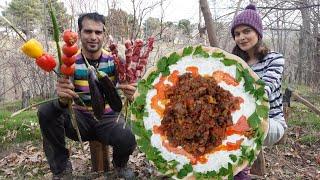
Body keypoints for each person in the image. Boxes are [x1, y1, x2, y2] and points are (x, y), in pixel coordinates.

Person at [37, 12, 137, 180]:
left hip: (109, 119)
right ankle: (61, 170)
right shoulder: (68, 62)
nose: (93, 37)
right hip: (79, 120)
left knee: (129, 134)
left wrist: (132, 93)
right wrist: (62, 98)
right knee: (46, 111)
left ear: (104, 34)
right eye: (88, 31)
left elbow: (131, 91)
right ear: (79, 33)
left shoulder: (115, 60)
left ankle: (120, 164)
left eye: (98, 32)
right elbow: (64, 95)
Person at [230, 4, 287, 179]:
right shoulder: (236, 62)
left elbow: (265, 89)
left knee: (239, 129)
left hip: (271, 122)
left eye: (247, 31)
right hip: (241, 120)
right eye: (237, 34)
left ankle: (241, 173)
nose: (241, 37)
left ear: (258, 33)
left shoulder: (275, 59)